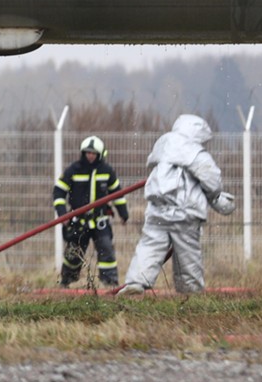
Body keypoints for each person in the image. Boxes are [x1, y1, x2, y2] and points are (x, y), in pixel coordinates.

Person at [119, 114, 236, 295]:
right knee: (187, 254)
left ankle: (136, 282)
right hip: (186, 212)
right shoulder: (195, 152)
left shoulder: (163, 145)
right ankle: (190, 291)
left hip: (157, 210)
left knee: (149, 247)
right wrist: (216, 198)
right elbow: (212, 181)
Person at [54, 134, 128, 287]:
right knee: (73, 254)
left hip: (100, 221)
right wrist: (62, 214)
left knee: (106, 250)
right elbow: (58, 192)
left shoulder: (107, 171)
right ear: (83, 153)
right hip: (78, 222)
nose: (90, 156)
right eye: (87, 152)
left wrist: (123, 214)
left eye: (93, 153)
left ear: (100, 154)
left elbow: (118, 194)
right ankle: (66, 282)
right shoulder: (73, 170)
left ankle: (110, 283)